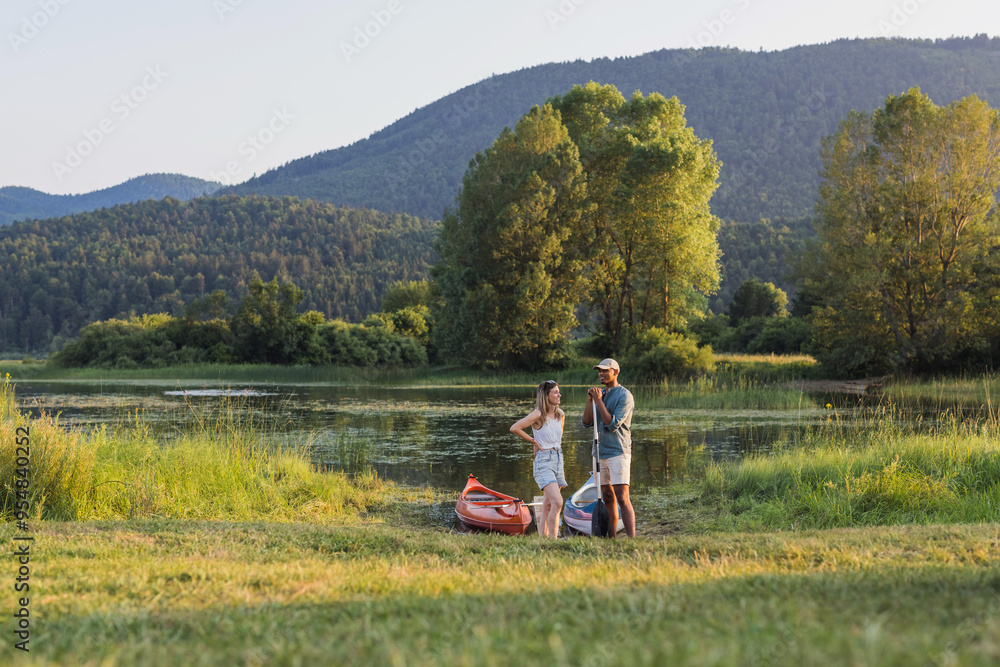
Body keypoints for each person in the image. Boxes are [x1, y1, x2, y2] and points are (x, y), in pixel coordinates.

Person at [582, 358, 636, 538]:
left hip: (618, 451)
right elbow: (586, 422)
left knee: (622, 497)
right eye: (600, 371)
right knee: (607, 496)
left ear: (615, 372)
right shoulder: (600, 394)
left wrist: (599, 401)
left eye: (605, 370)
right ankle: (612, 537)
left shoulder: (625, 395)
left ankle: (632, 540)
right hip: (599, 452)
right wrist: (590, 401)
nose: (601, 374)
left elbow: (611, 424)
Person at [510, 380, 566, 538]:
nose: (559, 395)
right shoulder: (538, 414)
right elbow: (515, 428)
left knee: (548, 504)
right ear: (546, 395)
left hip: (558, 459)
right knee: (558, 502)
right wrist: (533, 441)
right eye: (555, 392)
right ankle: (554, 542)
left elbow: (557, 439)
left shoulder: (560, 414)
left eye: (558, 391)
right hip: (544, 462)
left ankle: (543, 539)